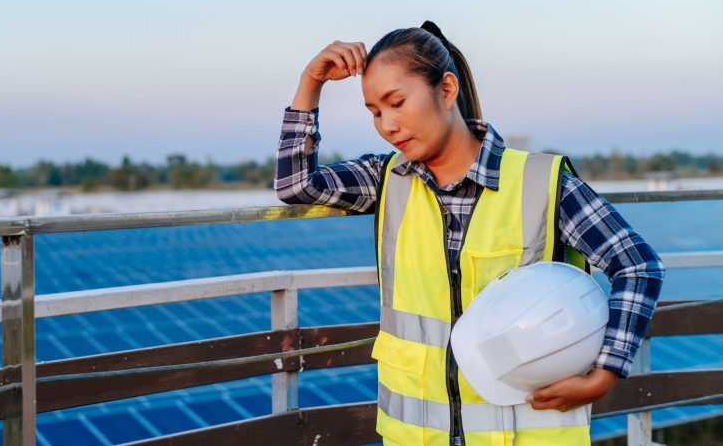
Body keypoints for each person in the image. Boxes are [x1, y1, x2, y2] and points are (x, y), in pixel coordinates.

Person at [274, 22, 664, 445]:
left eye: (397, 102)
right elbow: (295, 186)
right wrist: (310, 83)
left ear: (446, 89)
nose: (386, 125)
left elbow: (638, 266)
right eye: (375, 112)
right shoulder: (386, 178)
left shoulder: (542, 181)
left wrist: (605, 373)